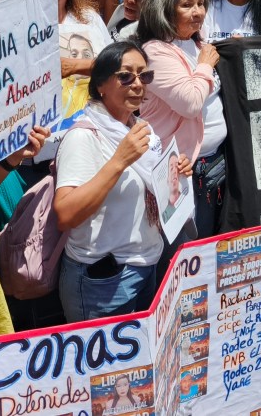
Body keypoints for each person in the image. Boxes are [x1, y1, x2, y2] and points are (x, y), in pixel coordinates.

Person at [55, 41, 189, 321]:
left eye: (144, 75)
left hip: (147, 264)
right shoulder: (83, 137)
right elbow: (65, 215)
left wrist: (176, 172)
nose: (138, 84)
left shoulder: (142, 130)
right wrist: (119, 161)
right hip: (104, 281)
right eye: (126, 76)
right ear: (100, 85)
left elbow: (153, 189)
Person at [134, 0, 225, 235]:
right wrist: (204, 65)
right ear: (165, 9)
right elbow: (190, 103)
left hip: (214, 162)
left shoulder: (198, 44)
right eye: (187, 5)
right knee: (186, 246)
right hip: (179, 170)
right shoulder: (155, 52)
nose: (198, 12)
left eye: (201, 4)